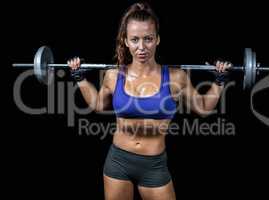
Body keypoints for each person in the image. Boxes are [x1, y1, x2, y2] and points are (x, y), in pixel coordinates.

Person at [68, 2, 232, 200]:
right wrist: (80, 78)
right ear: (126, 41)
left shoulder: (175, 77)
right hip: (118, 161)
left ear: (157, 39)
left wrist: (219, 81)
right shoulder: (113, 75)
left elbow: (204, 108)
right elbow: (98, 105)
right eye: (135, 40)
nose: (141, 47)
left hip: (154, 166)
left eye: (148, 39)